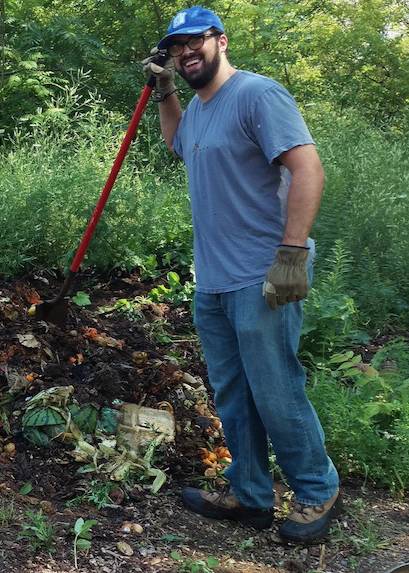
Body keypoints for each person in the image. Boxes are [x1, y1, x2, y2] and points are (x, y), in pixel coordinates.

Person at [142, 6, 340, 543]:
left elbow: (308, 169)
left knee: (277, 388)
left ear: (220, 40)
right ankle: (250, 495)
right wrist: (165, 93)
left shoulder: (258, 94)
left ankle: (317, 489)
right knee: (232, 393)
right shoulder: (201, 108)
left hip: (266, 272)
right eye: (176, 46)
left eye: (195, 41)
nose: (185, 52)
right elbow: (179, 144)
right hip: (213, 281)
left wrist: (292, 255)